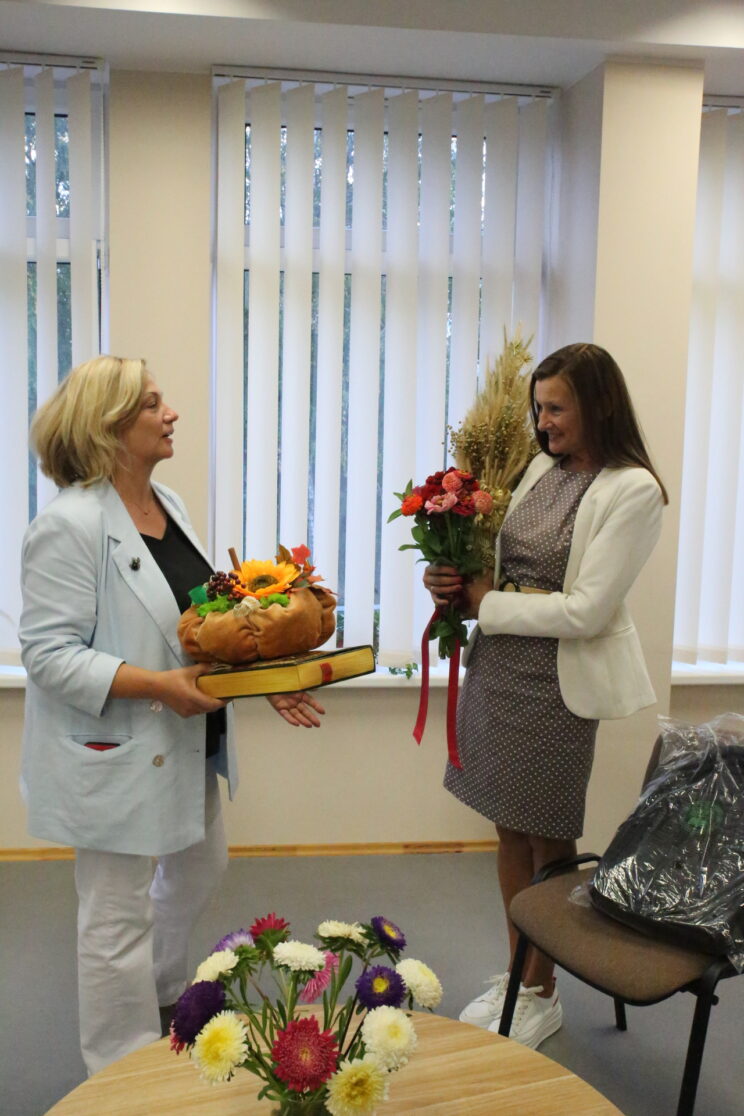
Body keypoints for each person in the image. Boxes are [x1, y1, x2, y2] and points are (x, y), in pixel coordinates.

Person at [19, 355, 325, 1075]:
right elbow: (48, 656)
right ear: (109, 425)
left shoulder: (170, 507)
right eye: (153, 403)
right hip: (116, 745)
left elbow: (204, 625)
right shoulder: (68, 526)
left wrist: (264, 677)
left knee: (198, 867)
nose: (171, 413)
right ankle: (118, 1068)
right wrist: (160, 686)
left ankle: (157, 992)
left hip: (189, 737)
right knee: (114, 912)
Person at [424, 342, 667, 1050]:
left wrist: (488, 604)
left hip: (558, 684)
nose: (542, 423)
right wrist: (451, 582)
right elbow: (501, 568)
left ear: (599, 405)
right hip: (500, 668)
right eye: (538, 408)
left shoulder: (634, 490)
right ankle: (519, 972)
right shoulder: (538, 469)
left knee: (548, 835)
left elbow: (587, 611)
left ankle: (542, 992)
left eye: (556, 408)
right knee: (507, 826)